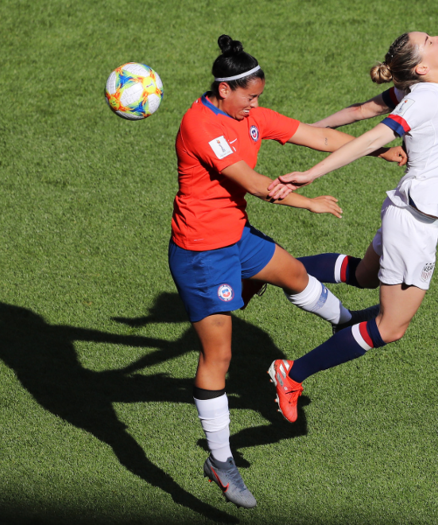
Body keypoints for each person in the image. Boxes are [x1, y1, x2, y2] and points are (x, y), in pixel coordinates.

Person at [170, 34, 406, 508]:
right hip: (201, 253)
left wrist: (380, 150)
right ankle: (219, 461)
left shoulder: (249, 115)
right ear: (225, 91)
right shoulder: (201, 125)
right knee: (219, 358)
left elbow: (317, 136)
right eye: (250, 97)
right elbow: (256, 184)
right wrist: (309, 202)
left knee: (296, 275)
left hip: (236, 236)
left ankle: (345, 323)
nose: (256, 106)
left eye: (259, 98)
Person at [267, 32, 438, 424]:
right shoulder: (428, 97)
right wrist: (312, 172)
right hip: (414, 222)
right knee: (390, 327)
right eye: (430, 39)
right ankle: (291, 374)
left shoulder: (426, 89)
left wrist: (300, 131)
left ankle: (267, 269)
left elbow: (362, 109)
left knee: (365, 275)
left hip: (408, 210)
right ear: (423, 67)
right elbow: (372, 135)